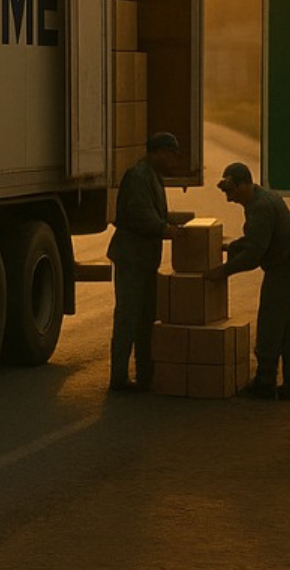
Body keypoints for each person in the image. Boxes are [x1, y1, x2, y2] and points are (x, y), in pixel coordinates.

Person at [207, 161, 290, 400]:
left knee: (270, 323)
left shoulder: (260, 207)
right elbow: (256, 238)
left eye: (231, 192)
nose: (229, 199)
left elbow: (254, 254)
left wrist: (222, 271)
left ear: (244, 184)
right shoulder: (261, 197)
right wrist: (232, 246)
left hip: (284, 269)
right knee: (287, 328)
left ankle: (265, 381)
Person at [107, 131, 182, 392]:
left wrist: (176, 223)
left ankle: (144, 374)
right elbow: (141, 214)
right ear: (159, 152)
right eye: (171, 155)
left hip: (145, 259)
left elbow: (154, 212)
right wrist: (166, 229)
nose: (174, 161)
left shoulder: (153, 176)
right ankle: (118, 377)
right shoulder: (139, 176)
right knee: (128, 316)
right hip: (131, 258)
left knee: (145, 317)